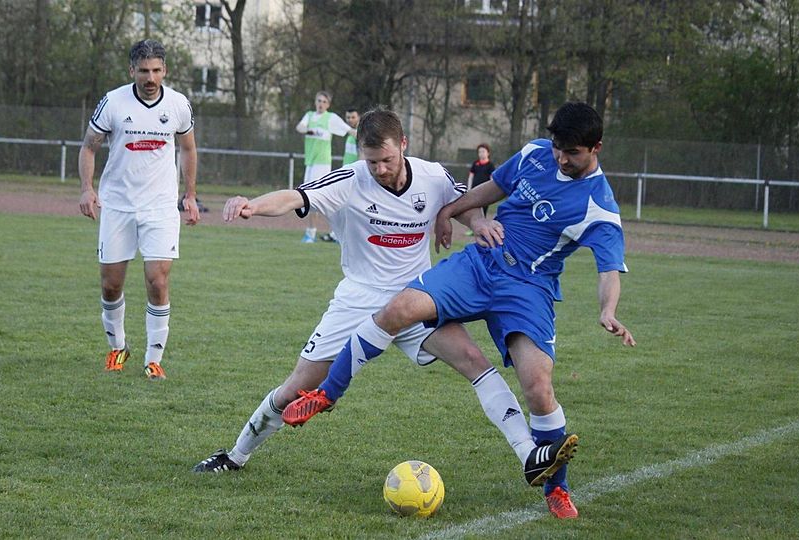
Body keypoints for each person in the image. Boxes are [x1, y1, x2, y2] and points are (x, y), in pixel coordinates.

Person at [284, 102, 636, 519]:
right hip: (480, 264)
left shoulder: (599, 205)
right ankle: (328, 393)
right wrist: (450, 211)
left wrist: (607, 310)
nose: (561, 158)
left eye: (572, 152)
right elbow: (492, 188)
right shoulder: (536, 153)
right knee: (399, 308)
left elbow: (609, 267)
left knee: (538, 387)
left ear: (596, 147)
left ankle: (555, 488)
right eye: (558, 147)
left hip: (529, 289)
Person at [194, 109, 577, 492]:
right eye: (371, 161)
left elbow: (463, 202)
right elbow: (296, 196)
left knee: (474, 362)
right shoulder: (350, 179)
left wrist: (478, 223)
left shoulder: (432, 176)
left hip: (417, 296)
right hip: (358, 299)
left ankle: (529, 454)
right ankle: (236, 454)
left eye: (387, 160)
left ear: (404, 146)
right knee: (298, 385)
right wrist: (253, 205)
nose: (379, 169)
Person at [78, 39, 200, 381]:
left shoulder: (178, 105)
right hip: (117, 205)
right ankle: (117, 348)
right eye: (144, 71)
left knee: (157, 280)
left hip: (160, 206)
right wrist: (87, 189)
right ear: (132, 70)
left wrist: (189, 195)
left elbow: (188, 149)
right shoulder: (113, 102)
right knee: (111, 285)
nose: (151, 77)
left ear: (165, 70)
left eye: (157, 70)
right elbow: (89, 146)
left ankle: (153, 359)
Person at [295, 91, 355, 243]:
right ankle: (315, 233)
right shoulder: (309, 116)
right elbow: (300, 128)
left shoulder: (330, 118)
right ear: (315, 102)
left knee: (316, 198)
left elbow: (348, 130)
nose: (321, 104)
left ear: (328, 104)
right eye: (319, 101)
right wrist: (310, 130)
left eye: (324, 102)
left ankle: (317, 233)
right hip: (310, 162)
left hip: (322, 164)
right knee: (309, 197)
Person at [464, 143, 495, 232]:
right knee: (473, 210)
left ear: (488, 153)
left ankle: (482, 229)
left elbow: (492, 179)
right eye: (479, 152)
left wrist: (491, 191)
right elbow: (471, 176)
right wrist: (469, 189)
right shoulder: (475, 163)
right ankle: (472, 228)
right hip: (474, 191)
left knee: (483, 211)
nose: (481, 153)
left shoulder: (490, 165)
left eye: (483, 151)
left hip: (485, 193)